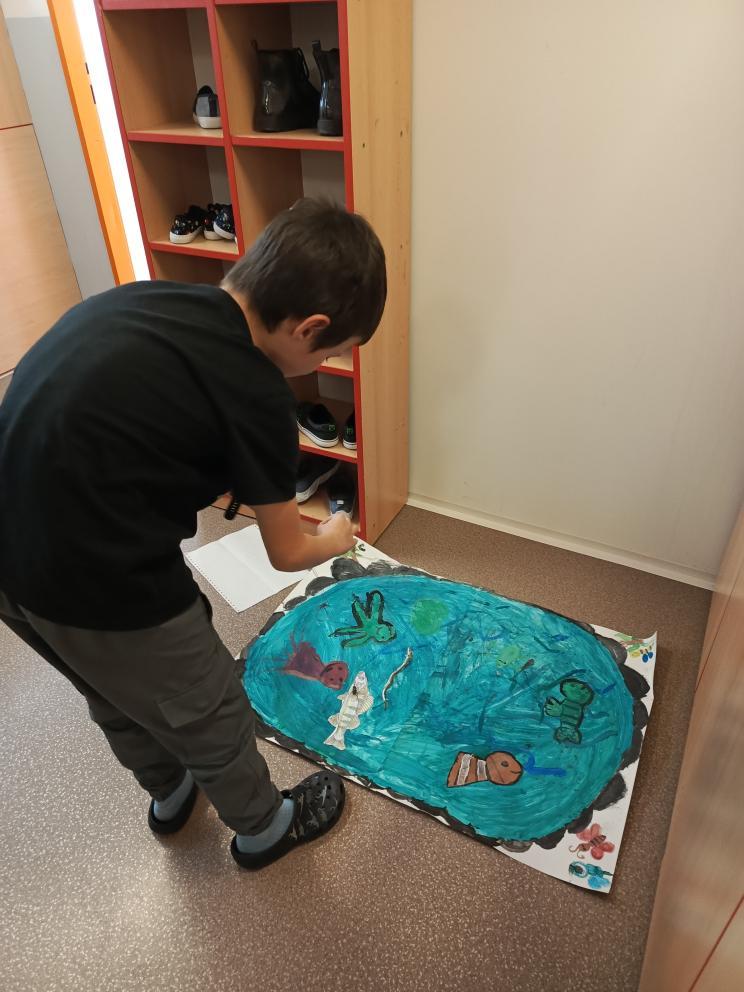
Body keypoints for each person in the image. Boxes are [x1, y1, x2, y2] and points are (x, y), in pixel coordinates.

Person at [0, 199, 387, 870]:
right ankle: (265, 828)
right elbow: (287, 550)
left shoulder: (148, 297)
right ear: (309, 329)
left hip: (11, 556)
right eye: (331, 351)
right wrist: (336, 533)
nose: (325, 361)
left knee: (109, 689)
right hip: (103, 577)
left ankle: (171, 789)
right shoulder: (258, 391)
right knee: (208, 706)